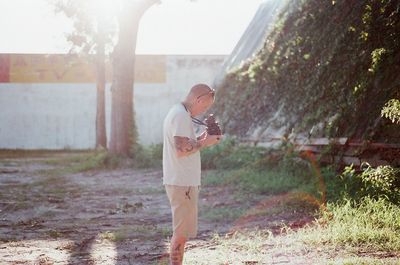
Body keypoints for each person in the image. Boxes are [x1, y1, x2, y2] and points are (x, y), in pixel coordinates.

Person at [163, 83, 222, 264]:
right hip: (182, 183)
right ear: (198, 99)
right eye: (205, 106)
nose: (204, 111)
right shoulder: (181, 115)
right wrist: (206, 143)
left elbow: (184, 144)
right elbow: (181, 149)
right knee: (180, 234)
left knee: (182, 233)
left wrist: (202, 138)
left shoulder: (179, 112)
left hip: (182, 181)